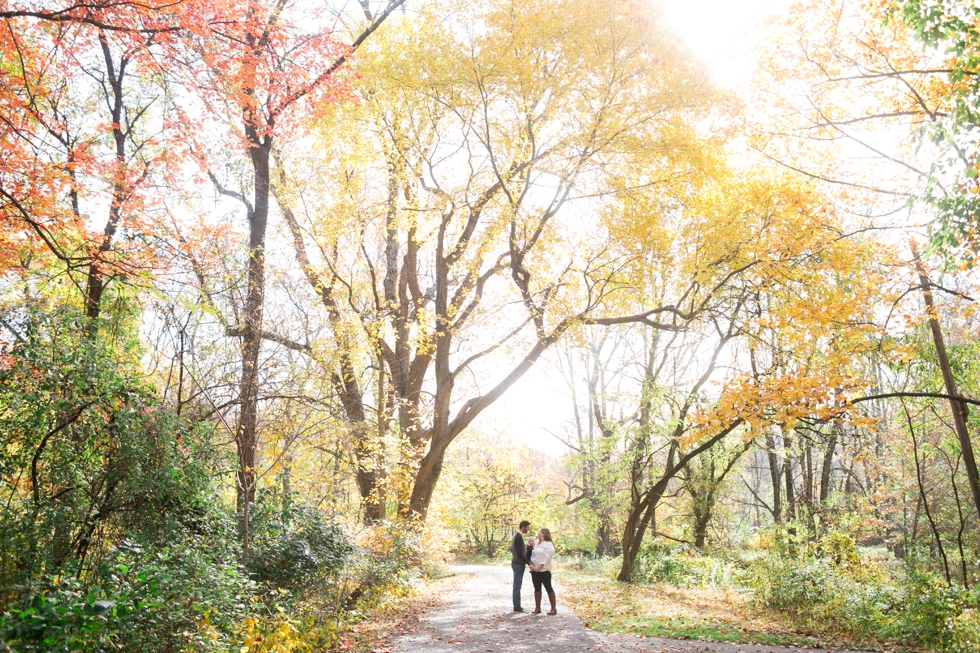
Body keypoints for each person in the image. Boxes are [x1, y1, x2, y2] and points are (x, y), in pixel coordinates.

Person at [529, 527, 556, 614]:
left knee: (548, 587)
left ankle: (553, 608)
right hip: (534, 570)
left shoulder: (548, 545)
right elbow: (533, 555)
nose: (538, 533)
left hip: (544, 570)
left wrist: (539, 566)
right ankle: (537, 607)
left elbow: (547, 557)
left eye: (539, 532)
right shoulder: (537, 544)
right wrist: (531, 564)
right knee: (537, 588)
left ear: (543, 533)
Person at [510, 520, 532, 612]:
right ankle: (517, 606)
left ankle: (517, 605)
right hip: (518, 563)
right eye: (527, 527)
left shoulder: (517, 536)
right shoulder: (518, 537)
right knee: (517, 585)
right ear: (523, 527)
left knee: (517, 584)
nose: (528, 529)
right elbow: (519, 552)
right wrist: (528, 562)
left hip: (517, 562)